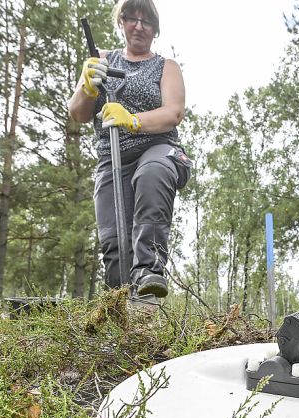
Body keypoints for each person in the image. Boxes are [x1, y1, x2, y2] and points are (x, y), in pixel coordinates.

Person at [68, 0, 190, 301]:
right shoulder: (102, 59)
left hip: (156, 147)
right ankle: (122, 312)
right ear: (121, 22)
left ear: (155, 29)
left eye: (146, 21)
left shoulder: (166, 67)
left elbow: (173, 113)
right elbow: (78, 114)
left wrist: (133, 120)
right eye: (131, 18)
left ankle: (149, 273)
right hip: (113, 158)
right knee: (114, 243)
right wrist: (87, 87)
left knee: (152, 174)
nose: (138, 25)